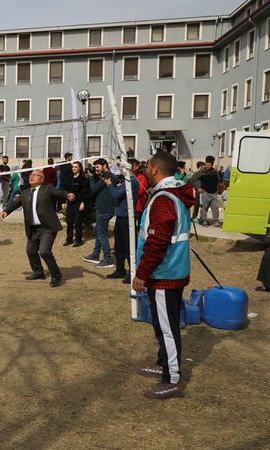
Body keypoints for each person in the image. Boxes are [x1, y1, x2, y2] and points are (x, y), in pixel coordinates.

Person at [133, 151, 194, 400]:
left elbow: (157, 242)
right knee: (162, 324)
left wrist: (141, 274)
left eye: (147, 167)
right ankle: (163, 363)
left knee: (168, 328)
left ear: (155, 169)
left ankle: (172, 380)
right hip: (169, 272)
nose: (145, 170)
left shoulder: (165, 199)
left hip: (165, 274)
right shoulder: (169, 194)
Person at [1, 169, 75, 287]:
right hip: (32, 228)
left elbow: (59, 192)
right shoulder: (25, 192)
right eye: (31, 174)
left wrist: (68, 195)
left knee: (44, 251)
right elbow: (15, 203)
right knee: (30, 251)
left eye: (36, 175)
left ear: (42, 179)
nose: (32, 176)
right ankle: (38, 272)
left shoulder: (47, 189)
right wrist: (6, 211)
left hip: (47, 227)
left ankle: (56, 275)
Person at [107, 168, 139, 281]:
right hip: (121, 215)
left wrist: (109, 184)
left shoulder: (132, 181)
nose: (120, 168)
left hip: (127, 217)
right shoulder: (125, 180)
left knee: (129, 246)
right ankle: (120, 270)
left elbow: (116, 194)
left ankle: (132, 272)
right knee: (119, 245)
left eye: (122, 166)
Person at [83, 158, 116, 269]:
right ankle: (95, 255)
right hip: (103, 208)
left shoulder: (106, 176)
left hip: (104, 209)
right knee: (98, 232)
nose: (96, 169)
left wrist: (92, 178)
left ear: (104, 166)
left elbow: (94, 189)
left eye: (97, 167)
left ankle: (108, 259)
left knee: (102, 235)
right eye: (95, 167)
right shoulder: (105, 175)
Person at [64, 161, 89, 247]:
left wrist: (83, 203)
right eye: (73, 167)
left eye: (76, 167)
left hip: (78, 203)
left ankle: (78, 240)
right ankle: (69, 239)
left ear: (80, 168)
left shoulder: (83, 178)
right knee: (69, 222)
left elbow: (85, 193)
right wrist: (65, 201)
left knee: (78, 223)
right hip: (70, 203)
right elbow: (66, 190)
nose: (74, 168)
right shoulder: (70, 178)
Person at [194, 156, 221, 227]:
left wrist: (217, 189)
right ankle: (204, 221)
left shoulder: (215, 172)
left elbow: (218, 181)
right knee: (204, 208)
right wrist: (197, 188)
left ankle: (216, 221)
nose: (207, 166)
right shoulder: (202, 172)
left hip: (214, 193)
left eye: (209, 165)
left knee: (215, 208)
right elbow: (192, 179)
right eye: (206, 165)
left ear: (212, 164)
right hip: (205, 193)